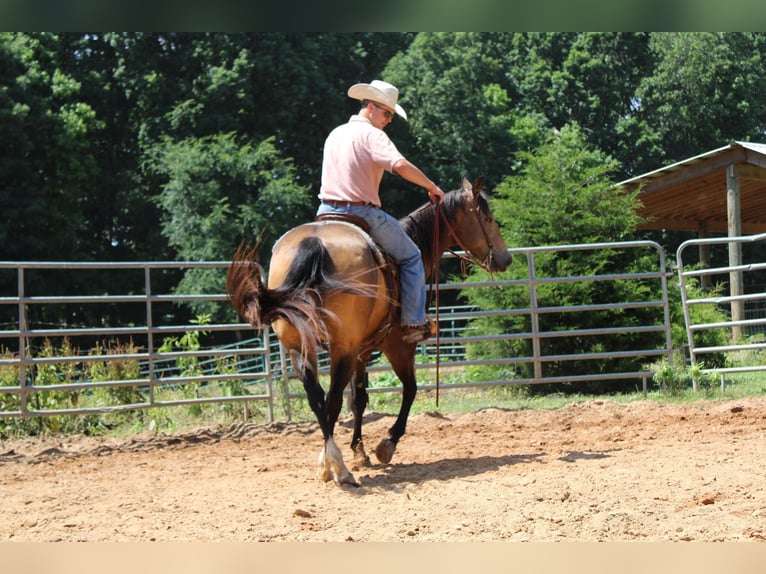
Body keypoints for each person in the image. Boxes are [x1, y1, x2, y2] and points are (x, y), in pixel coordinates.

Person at [317, 79, 445, 344]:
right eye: (387, 113)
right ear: (371, 107)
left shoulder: (334, 133)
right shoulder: (373, 135)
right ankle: (412, 323)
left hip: (324, 213)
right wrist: (431, 186)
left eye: (391, 116)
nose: (388, 120)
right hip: (361, 213)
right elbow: (400, 165)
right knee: (411, 257)